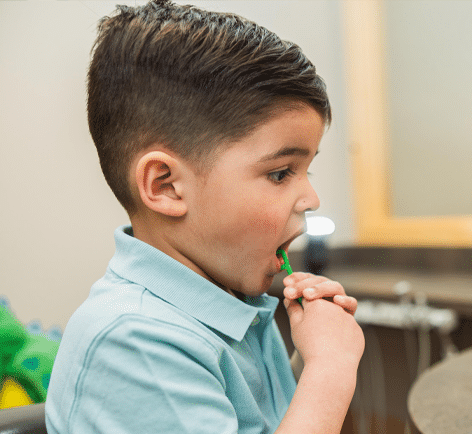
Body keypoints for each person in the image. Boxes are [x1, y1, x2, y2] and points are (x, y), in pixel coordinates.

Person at [44, 1, 365, 432]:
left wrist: (311, 355)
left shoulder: (233, 296)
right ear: (165, 186)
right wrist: (331, 370)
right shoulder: (134, 343)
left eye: (308, 171)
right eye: (280, 172)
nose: (311, 197)